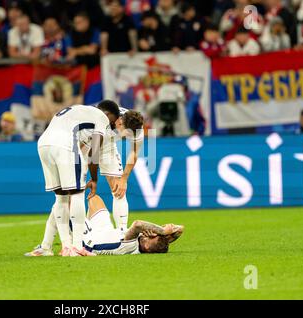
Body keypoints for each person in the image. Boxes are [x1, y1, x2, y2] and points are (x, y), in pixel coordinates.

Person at [27, 108, 146, 257]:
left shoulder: (137, 129)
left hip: (105, 146)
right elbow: (88, 147)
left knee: (119, 189)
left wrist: (124, 178)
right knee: (69, 193)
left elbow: (134, 152)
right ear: (119, 122)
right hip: (84, 141)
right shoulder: (104, 117)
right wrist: (88, 172)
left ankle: (122, 236)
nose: (126, 138)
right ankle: (47, 243)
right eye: (126, 134)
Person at [36, 101, 120, 257]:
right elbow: (94, 153)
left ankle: (65, 247)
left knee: (61, 197)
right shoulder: (101, 117)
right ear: (107, 114)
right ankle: (77, 246)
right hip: (64, 145)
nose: (111, 126)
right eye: (112, 122)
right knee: (77, 194)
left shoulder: (77, 110)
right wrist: (94, 179)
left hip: (43, 145)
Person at [26, 195, 184, 256]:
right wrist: (167, 235)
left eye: (153, 237)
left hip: (89, 240)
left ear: (148, 248)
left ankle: (47, 247)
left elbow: (138, 224)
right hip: (106, 231)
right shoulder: (148, 243)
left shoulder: (131, 247)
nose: (151, 235)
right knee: (94, 198)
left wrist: (162, 230)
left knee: (63, 202)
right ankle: (73, 225)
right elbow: (181, 229)